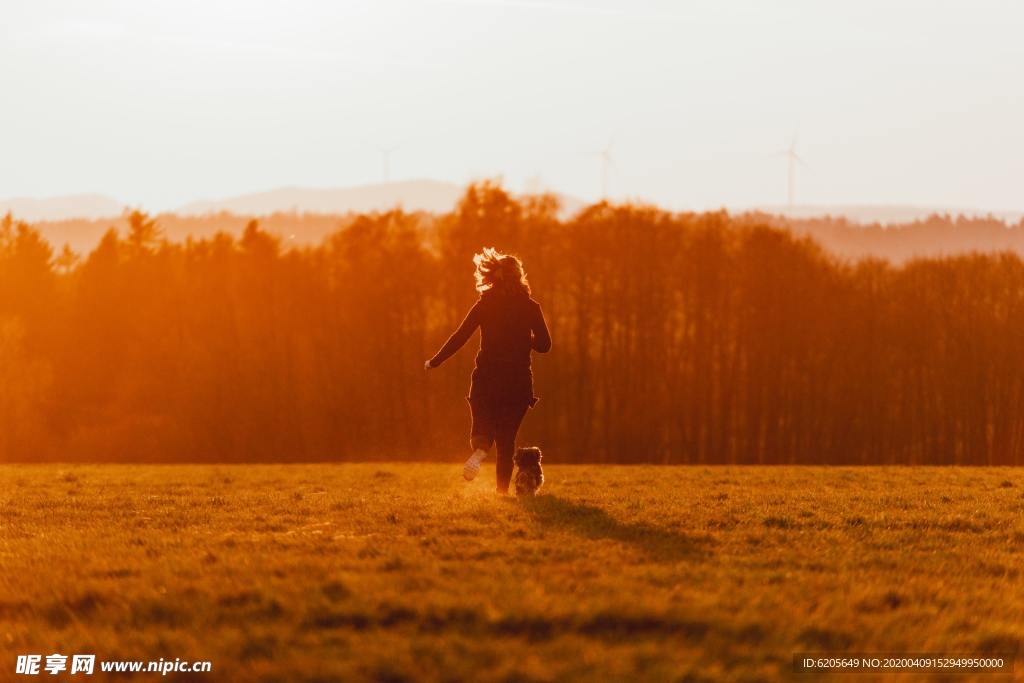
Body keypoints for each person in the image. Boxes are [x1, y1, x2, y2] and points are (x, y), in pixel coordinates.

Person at [425, 248, 551, 494]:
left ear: (494, 276)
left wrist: (436, 361)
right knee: (506, 443)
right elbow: (545, 346)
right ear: (520, 277)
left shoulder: (485, 304)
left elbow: (460, 336)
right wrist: (526, 340)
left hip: (486, 379)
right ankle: (501, 493)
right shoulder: (531, 307)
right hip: (518, 384)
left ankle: (481, 448)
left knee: (482, 426)